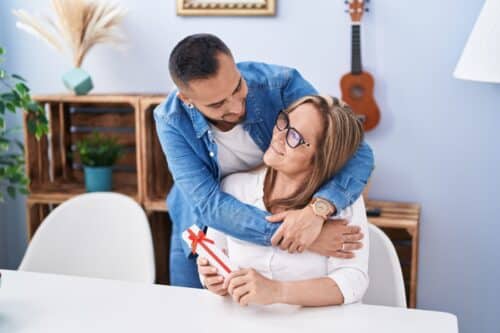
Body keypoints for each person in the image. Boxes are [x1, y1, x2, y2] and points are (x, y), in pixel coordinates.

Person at [154, 34, 374, 288]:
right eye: (217, 104)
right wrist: (300, 237)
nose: (236, 107)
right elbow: (209, 205)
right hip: (201, 226)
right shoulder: (171, 120)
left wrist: (317, 211)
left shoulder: (279, 84)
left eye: (238, 88)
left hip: (274, 207)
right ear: (187, 100)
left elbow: (353, 149)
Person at [198, 95, 369, 306]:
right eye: (283, 121)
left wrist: (278, 292)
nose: (279, 136)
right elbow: (214, 256)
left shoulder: (345, 204)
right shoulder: (233, 188)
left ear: (321, 157)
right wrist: (211, 278)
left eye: (294, 137)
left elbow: (353, 281)